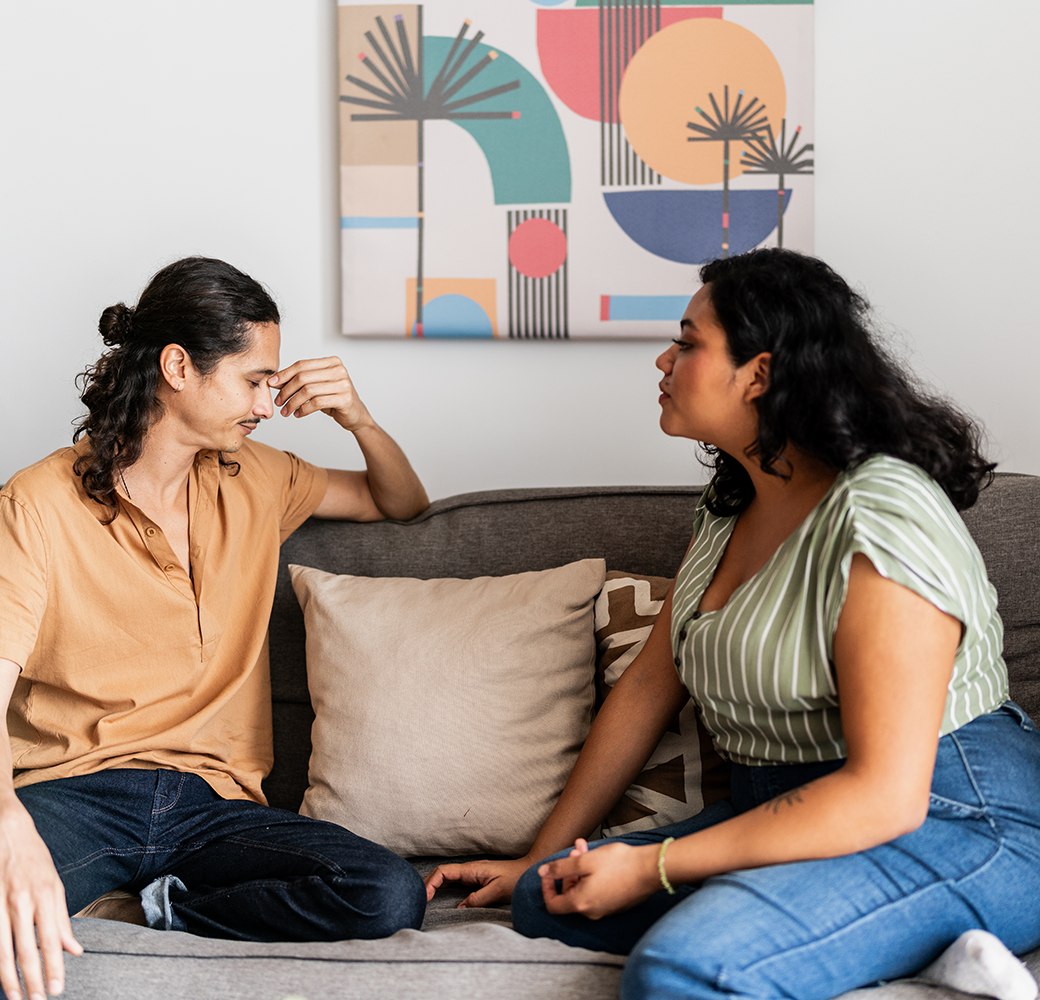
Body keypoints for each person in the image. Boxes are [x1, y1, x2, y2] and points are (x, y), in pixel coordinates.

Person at [425, 249, 1040, 1000]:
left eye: (687, 342)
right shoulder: (729, 507)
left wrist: (650, 866)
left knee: (686, 970)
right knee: (546, 896)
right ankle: (911, 947)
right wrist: (540, 854)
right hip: (781, 814)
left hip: (949, 816)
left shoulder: (882, 515)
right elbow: (651, 685)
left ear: (759, 373)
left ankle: (917, 926)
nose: (663, 358)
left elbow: (884, 795)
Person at [0, 257, 431, 1000]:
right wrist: (8, 827)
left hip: (214, 807)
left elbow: (402, 502)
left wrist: (356, 416)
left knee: (386, 890)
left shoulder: (256, 477)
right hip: (77, 792)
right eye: (253, 379)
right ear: (178, 367)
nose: (268, 402)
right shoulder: (38, 504)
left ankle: (164, 909)